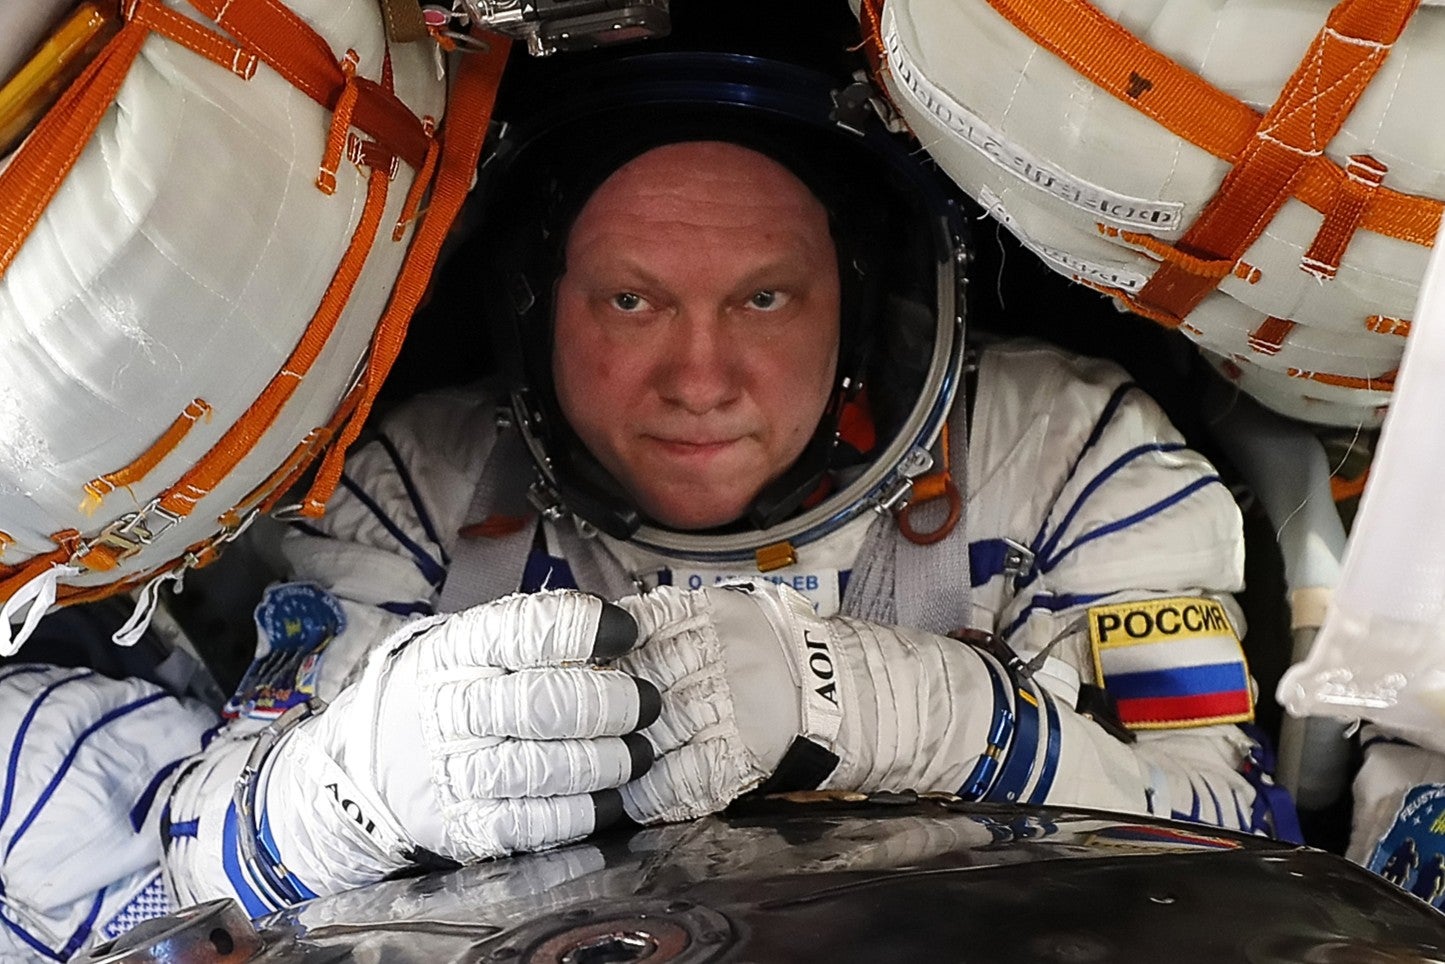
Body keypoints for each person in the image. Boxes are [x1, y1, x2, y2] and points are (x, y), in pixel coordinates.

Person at [0, 52, 1296, 957]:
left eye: (763, 299)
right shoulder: (430, 486)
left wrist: (921, 709)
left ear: (859, 315)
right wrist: (347, 785)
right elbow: (194, 856)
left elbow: (1233, 829)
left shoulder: (1076, 453)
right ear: (540, 313)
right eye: (629, 301)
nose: (697, 376)